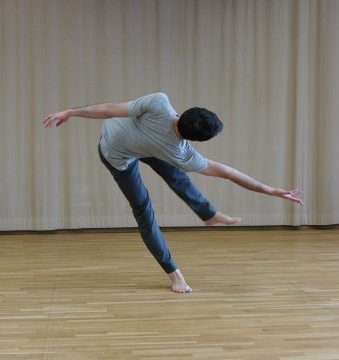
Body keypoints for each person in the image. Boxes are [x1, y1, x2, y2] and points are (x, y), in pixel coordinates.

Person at [43, 92, 303, 293]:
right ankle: (174, 272)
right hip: (116, 154)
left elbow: (108, 109)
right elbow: (228, 172)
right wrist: (270, 190)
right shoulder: (182, 153)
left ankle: (208, 214)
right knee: (144, 209)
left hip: (137, 141)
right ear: (197, 139)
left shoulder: (159, 103)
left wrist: (70, 112)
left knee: (174, 172)